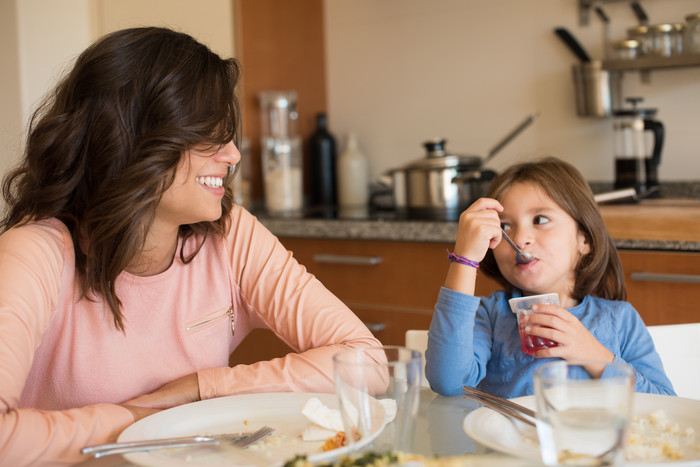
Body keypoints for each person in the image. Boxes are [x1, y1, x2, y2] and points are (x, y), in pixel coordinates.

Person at [0, 27, 381, 466]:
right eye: (208, 134)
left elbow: (364, 362)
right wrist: (135, 420)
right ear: (131, 139)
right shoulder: (34, 253)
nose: (234, 154)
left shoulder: (231, 235)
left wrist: (202, 389)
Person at [425, 157, 675, 398]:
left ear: (584, 239)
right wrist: (465, 259)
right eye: (505, 226)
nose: (521, 238)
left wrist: (595, 355)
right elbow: (448, 382)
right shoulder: (491, 316)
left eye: (540, 220)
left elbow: (664, 403)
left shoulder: (621, 319)